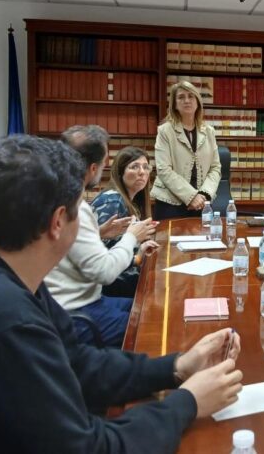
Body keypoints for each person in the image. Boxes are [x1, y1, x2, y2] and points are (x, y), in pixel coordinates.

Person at [0, 134, 243, 453]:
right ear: (57, 223)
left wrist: (176, 367)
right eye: (80, 209)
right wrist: (189, 403)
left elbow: (77, 363)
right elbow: (87, 447)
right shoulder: (1, 317)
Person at [45, 125, 158, 347]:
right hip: (78, 311)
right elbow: (104, 273)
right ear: (94, 167)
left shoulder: (56, 196)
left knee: (148, 305)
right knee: (152, 322)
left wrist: (99, 233)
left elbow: (68, 246)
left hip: (77, 301)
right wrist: (131, 237)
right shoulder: (76, 206)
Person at [152, 81, 221, 220]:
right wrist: (190, 196)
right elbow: (163, 169)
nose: (187, 100)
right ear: (175, 104)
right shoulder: (165, 131)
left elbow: (215, 167)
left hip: (202, 203)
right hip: (170, 202)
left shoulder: (209, 132)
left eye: (191, 96)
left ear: (198, 102)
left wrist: (204, 195)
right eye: (181, 97)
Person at [92, 145, 153, 249]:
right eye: (134, 166)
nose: (142, 172)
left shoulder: (132, 201)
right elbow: (105, 254)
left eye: (146, 167)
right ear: (120, 173)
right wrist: (138, 256)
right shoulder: (112, 201)